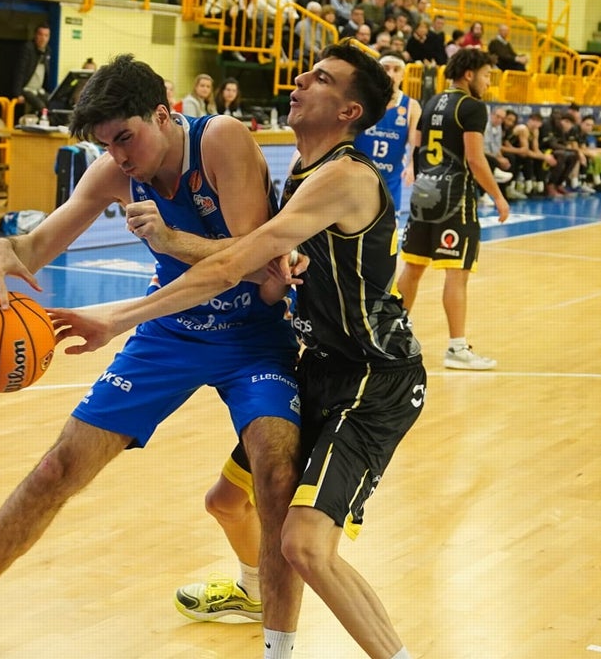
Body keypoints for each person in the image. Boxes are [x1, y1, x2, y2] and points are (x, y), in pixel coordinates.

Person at [0, 54, 304, 659]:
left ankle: (280, 649)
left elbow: (256, 265)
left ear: (163, 113)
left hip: (254, 334)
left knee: (276, 473)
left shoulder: (222, 139)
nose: (120, 157)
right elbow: (38, 243)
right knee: (56, 468)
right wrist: (1, 248)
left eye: (126, 138)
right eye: (107, 145)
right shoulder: (114, 170)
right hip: (171, 329)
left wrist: (170, 240)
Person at [49, 43, 424, 659]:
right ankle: (253, 592)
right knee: (226, 502)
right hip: (318, 367)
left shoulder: (341, 177)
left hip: (370, 379)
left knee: (303, 546)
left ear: (349, 111)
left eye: (321, 78)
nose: (300, 78)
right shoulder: (305, 171)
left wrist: (119, 315)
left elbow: (233, 262)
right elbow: (269, 272)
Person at [397, 47, 509, 371]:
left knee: (412, 268)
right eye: (487, 75)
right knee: (456, 274)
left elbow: (417, 148)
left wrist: (420, 180)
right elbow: (474, 159)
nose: (488, 82)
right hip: (454, 198)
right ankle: (457, 348)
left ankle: (395, 335)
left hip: (423, 194)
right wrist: (498, 197)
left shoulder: (431, 101)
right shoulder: (472, 107)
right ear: (470, 75)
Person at [353, 54, 421, 212]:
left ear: (403, 75)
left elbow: (414, 142)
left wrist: (412, 165)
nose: (391, 74)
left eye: (396, 70)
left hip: (390, 181)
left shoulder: (411, 105)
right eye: (386, 68)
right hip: (358, 179)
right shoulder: (362, 100)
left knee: (389, 234)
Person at [11, 25, 51, 113]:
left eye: (46, 35)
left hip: (39, 89)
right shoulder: (28, 48)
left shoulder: (47, 51)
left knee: (53, 102)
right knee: (41, 107)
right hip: (26, 88)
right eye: (40, 35)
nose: (43, 38)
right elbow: (20, 71)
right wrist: (17, 94)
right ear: (35, 35)